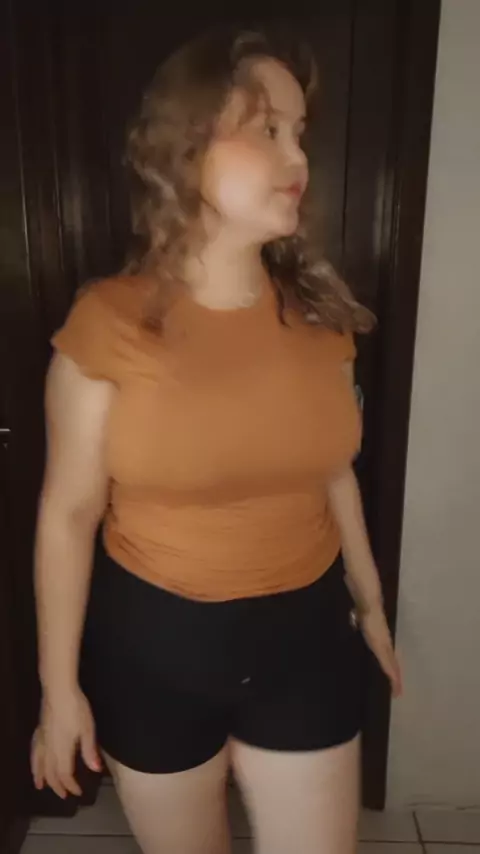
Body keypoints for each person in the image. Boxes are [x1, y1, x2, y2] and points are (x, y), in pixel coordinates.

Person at [31, 26, 402, 854]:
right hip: (155, 648)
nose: (297, 156)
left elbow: (331, 471)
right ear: (188, 145)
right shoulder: (109, 324)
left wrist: (372, 603)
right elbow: (68, 515)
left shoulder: (320, 320)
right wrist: (59, 692)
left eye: (300, 132)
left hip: (307, 638)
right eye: (267, 129)